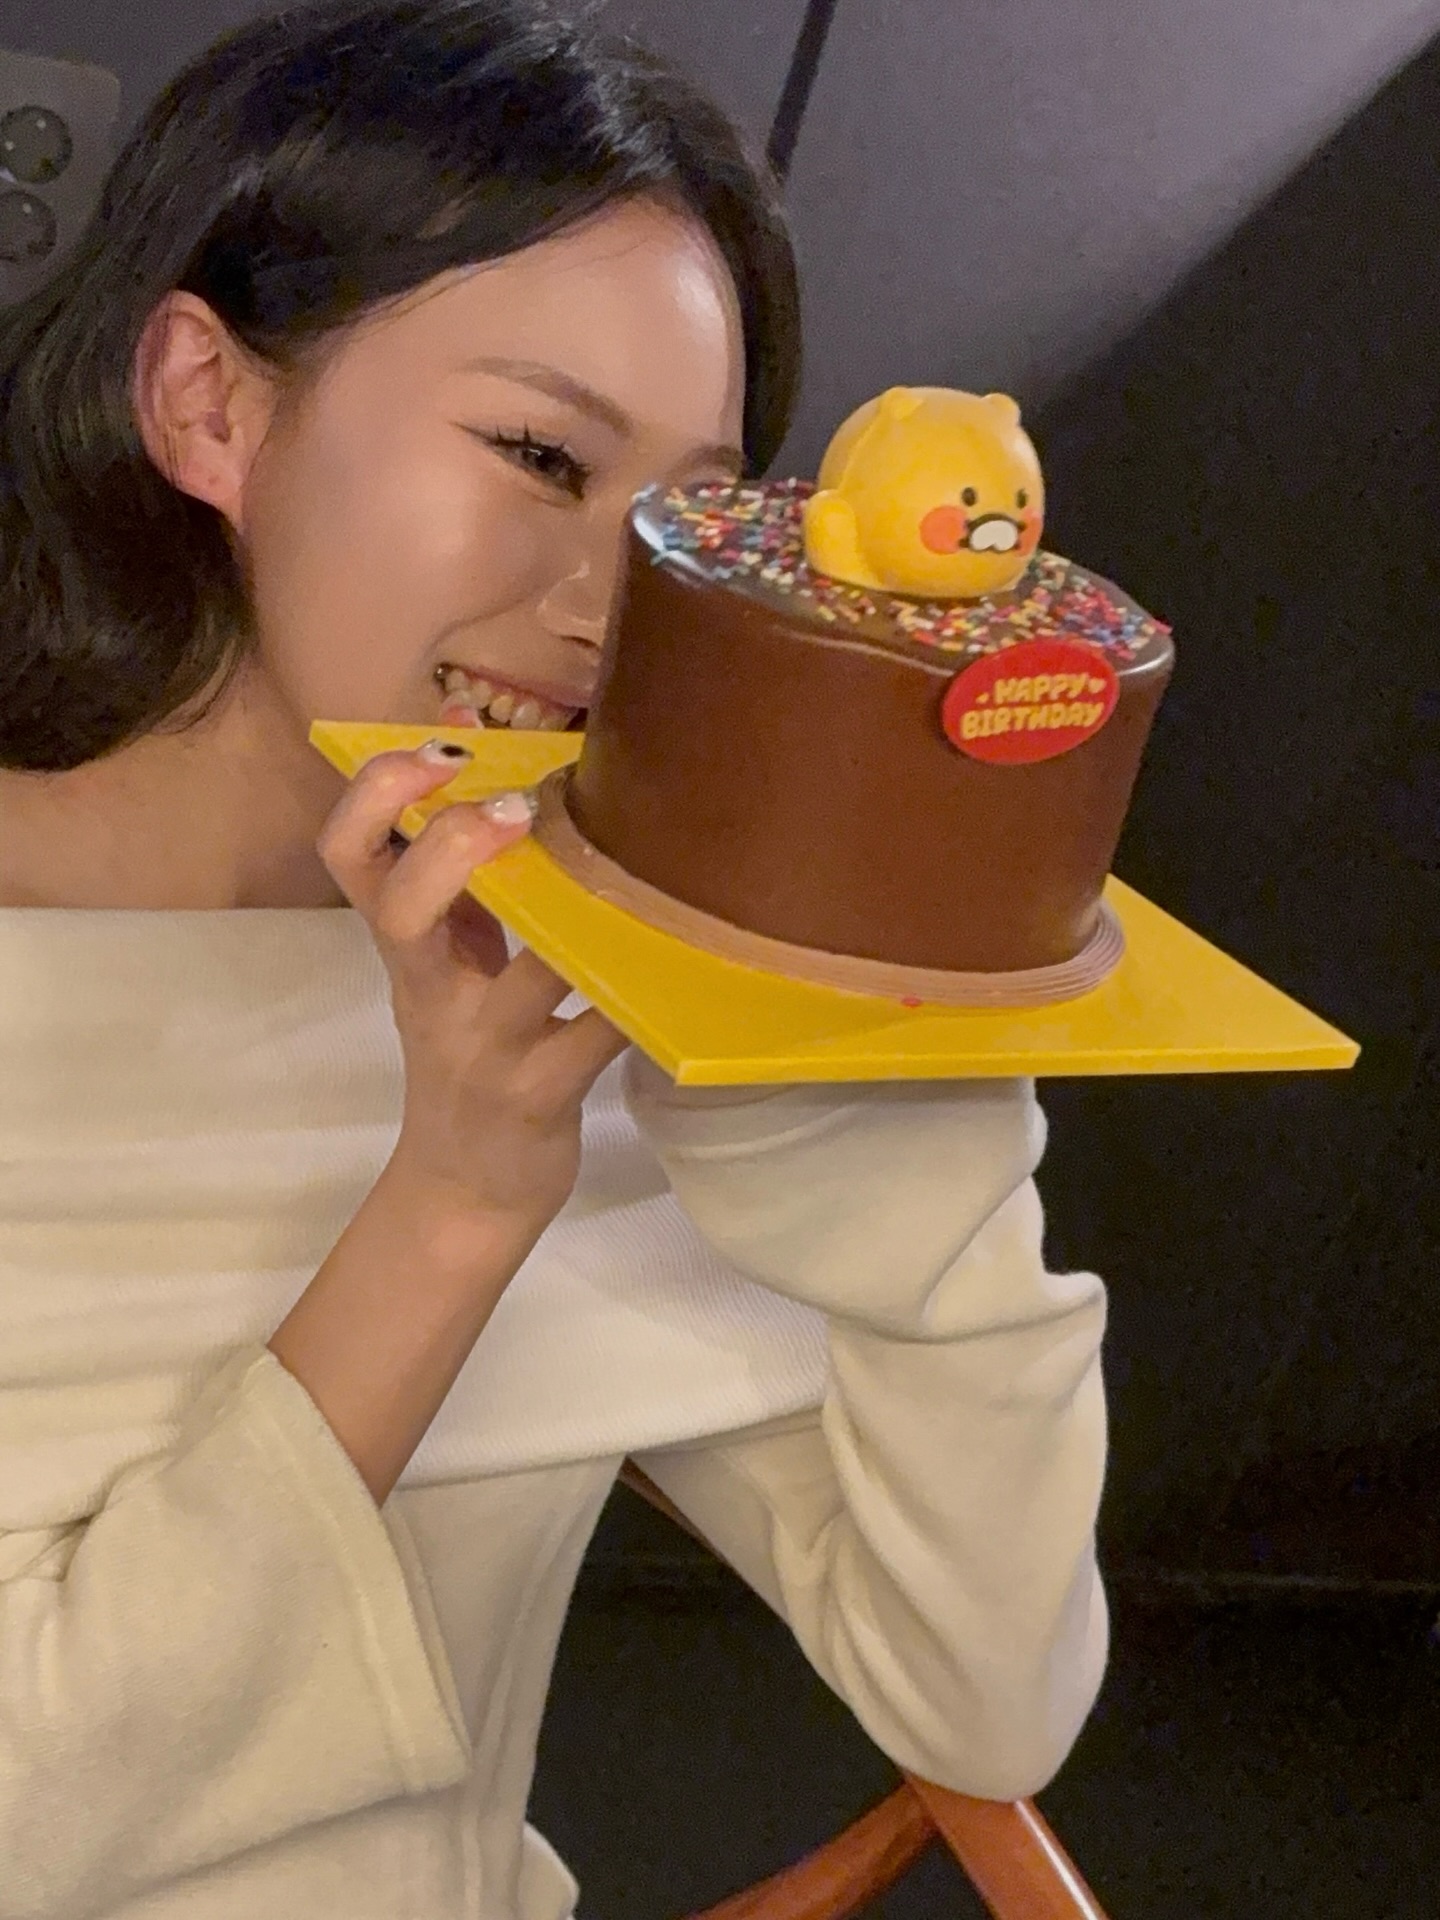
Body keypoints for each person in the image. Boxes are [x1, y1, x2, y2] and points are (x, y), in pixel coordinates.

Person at [0, 3, 1110, 1916]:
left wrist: (931, 1147)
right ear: (206, 404)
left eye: (684, 513)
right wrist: (451, 1207)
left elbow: (987, 1703)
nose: (610, 602)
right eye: (537, 452)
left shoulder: (570, 986)